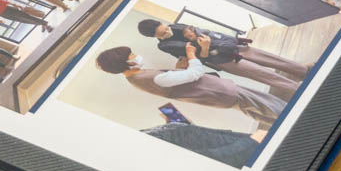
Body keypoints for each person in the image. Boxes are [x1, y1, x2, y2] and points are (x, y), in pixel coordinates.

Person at [95, 44, 285, 125]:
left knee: (261, 112)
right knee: (272, 108)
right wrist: (192, 55)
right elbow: (195, 74)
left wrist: (178, 70)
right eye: (131, 55)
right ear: (124, 62)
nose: (136, 56)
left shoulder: (137, 78)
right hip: (221, 92)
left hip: (220, 95)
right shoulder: (147, 79)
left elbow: (175, 82)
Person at [138, 20, 305, 101]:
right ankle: (297, 88)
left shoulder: (176, 26)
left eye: (166, 27)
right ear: (155, 36)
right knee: (260, 73)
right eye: (163, 33)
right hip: (221, 59)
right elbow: (197, 56)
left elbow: (203, 32)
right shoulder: (166, 46)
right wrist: (205, 47)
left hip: (228, 45)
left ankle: (303, 71)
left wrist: (231, 40)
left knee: (269, 58)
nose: (168, 31)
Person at [141, 123, 267, 168]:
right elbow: (207, 159)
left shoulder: (141, 135)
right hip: (242, 153)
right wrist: (252, 142)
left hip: (235, 141)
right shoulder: (144, 149)